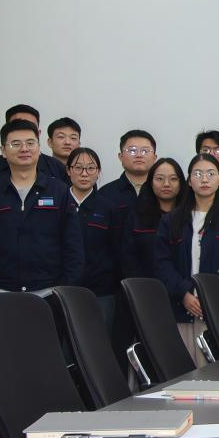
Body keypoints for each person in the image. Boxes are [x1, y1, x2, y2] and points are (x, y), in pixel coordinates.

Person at [0, 119, 83, 294]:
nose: (24, 149)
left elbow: (74, 247)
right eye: (16, 144)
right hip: (0, 294)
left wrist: (62, 290)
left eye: (30, 143)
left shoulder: (60, 191)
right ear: (3, 151)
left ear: (39, 148)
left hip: (49, 293)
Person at [154, 154, 219, 366]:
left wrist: (209, 293)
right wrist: (184, 292)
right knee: (184, 368)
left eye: (211, 174)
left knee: (218, 370)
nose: (204, 179)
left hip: (218, 307)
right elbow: (162, 263)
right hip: (181, 307)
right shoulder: (172, 220)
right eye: (198, 174)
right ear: (189, 181)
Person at [65, 147, 115, 326]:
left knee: (98, 337)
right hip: (62, 288)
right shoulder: (58, 203)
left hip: (100, 291)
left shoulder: (108, 208)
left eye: (91, 168)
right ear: (68, 170)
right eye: (78, 168)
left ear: (98, 172)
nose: (84, 174)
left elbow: (115, 250)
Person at [0, 104, 68, 197]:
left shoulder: (58, 170)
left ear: (38, 133)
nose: (24, 149)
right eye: (18, 125)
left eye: (30, 126)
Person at [120, 158, 185, 279]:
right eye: (159, 179)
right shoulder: (137, 216)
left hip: (183, 287)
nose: (166, 184)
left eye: (173, 179)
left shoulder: (189, 216)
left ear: (181, 183)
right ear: (150, 182)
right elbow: (128, 259)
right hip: (144, 286)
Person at [101, 129, 158, 248]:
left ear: (155, 158)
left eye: (145, 151)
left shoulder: (164, 192)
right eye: (132, 151)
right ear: (120, 156)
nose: (139, 155)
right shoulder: (105, 194)